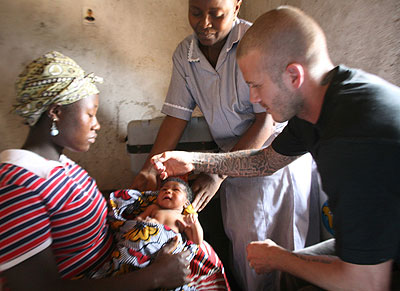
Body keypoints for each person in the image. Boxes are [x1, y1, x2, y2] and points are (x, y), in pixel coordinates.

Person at [150, 5, 400, 291]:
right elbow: (263, 162)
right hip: (382, 250)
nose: (253, 98)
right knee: (293, 274)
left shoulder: (353, 143)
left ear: (293, 76)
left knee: (288, 269)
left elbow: (366, 283)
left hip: (374, 273)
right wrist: (194, 160)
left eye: (256, 86)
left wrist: (278, 257)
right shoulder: (319, 104)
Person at [132, 1, 320, 289]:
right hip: (229, 161)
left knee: (285, 253)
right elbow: (175, 116)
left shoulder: (255, 41)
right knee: (247, 252)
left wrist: (217, 173)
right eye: (195, 12)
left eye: (216, 14)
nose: (204, 23)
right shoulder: (186, 54)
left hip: (272, 156)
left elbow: (265, 122)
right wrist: (149, 168)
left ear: (236, 6)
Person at [0, 51, 191, 290]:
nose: (97, 124)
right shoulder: (17, 185)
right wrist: (154, 277)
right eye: (90, 114)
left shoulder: (61, 165)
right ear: (56, 112)